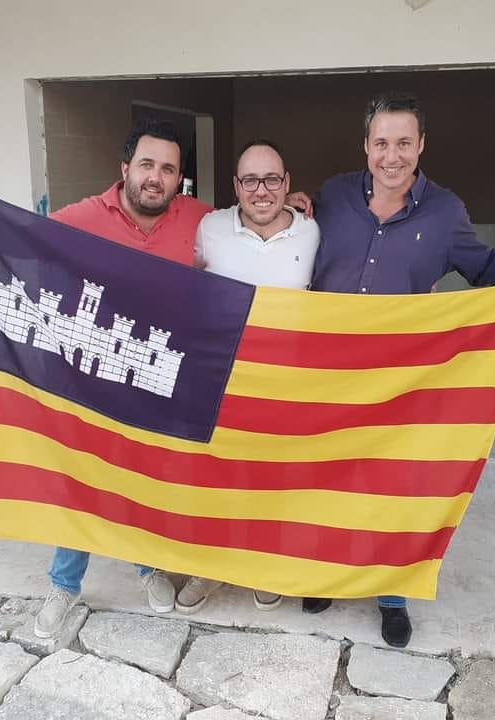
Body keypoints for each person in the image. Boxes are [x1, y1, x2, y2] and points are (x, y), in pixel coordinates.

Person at [297, 91, 495, 649]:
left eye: (403, 143)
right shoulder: (332, 195)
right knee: (328, 477)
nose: (391, 156)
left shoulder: (445, 212)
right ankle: (325, 574)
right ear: (366, 146)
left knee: (393, 485)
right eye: (381, 143)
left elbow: (486, 266)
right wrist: (290, 203)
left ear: (421, 145)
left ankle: (392, 593)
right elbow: (290, 236)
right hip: (328, 372)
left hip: (403, 378)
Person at [0, 119, 213, 636]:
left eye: (168, 169)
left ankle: (148, 567)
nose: (156, 177)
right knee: (81, 482)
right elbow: (13, 239)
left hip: (155, 378)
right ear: (125, 168)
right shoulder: (83, 216)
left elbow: (248, 225)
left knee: (143, 479)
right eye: (147, 165)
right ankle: (64, 584)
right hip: (88, 380)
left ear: (179, 179)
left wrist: (294, 205)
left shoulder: (197, 218)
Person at [174, 139, 321, 614]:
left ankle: (264, 567)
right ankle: (209, 567)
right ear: (236, 186)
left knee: (273, 480)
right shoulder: (209, 228)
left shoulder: (312, 232)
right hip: (221, 381)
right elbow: (177, 280)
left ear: (287, 183)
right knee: (216, 478)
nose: (262, 190)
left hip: (284, 385)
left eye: (272, 179)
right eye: (251, 180)